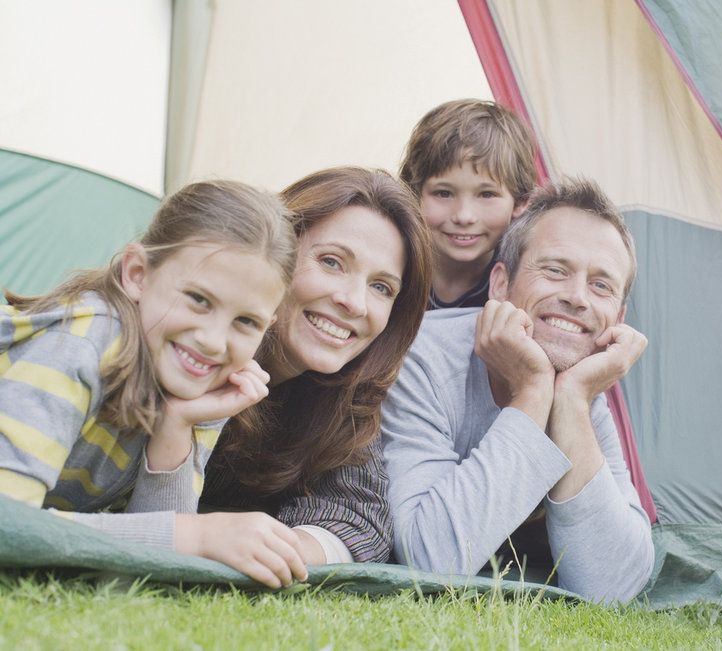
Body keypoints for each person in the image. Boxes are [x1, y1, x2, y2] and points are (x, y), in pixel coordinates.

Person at [0, 180, 299, 582]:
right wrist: (195, 536)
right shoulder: (83, 341)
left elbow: (152, 565)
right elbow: (9, 523)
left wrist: (175, 425)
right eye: (198, 299)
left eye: (246, 322)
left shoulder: (204, 381)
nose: (213, 341)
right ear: (138, 274)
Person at [381, 178, 654, 604]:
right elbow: (428, 562)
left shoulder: (583, 385)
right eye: (555, 271)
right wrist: (532, 390)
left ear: (616, 318)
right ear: (500, 285)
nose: (578, 298)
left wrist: (571, 400)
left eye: (601, 285)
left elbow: (613, 588)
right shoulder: (422, 360)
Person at [201, 167, 432, 580]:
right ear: (276, 251)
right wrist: (200, 535)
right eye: (332, 262)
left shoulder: (338, 397)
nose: (354, 302)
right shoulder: (190, 345)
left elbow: (359, 519)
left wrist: (276, 546)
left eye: (382, 287)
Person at [400, 99, 537, 310]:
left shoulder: (523, 282)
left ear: (520, 202)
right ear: (413, 194)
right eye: (443, 193)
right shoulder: (393, 262)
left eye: (486, 195)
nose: (464, 216)